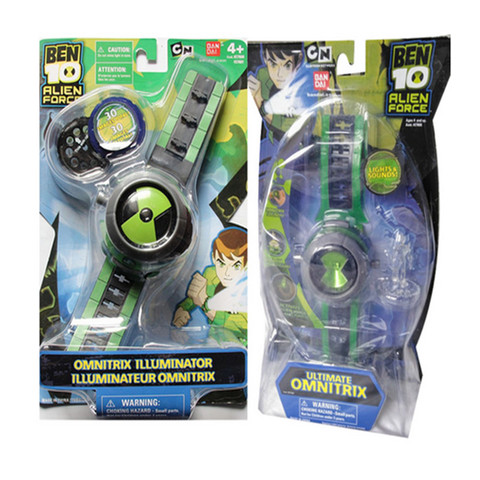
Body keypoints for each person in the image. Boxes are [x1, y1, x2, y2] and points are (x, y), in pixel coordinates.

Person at [173, 227, 248, 346]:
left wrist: (205, 304)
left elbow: (243, 325)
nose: (227, 273)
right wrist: (183, 310)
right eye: (221, 263)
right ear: (213, 257)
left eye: (235, 266)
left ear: (246, 264)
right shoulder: (210, 274)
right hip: (213, 341)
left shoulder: (250, 287)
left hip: (242, 345)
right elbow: (195, 298)